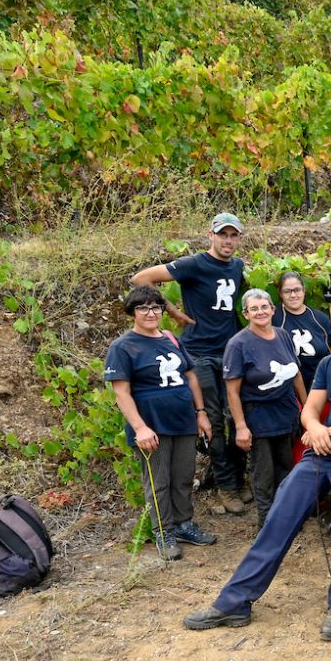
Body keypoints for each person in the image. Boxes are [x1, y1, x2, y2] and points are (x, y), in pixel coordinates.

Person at [184, 295, 331, 641]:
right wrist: (313, 428)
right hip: (321, 454)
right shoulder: (330, 364)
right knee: (278, 518)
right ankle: (235, 602)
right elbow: (309, 408)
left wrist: (326, 430)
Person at [131, 213, 249, 515]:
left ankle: (238, 478)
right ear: (210, 235)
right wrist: (172, 311)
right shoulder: (194, 264)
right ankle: (226, 486)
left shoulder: (237, 267)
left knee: (238, 417)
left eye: (233, 235)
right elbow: (140, 278)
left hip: (230, 351)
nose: (228, 240)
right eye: (222, 234)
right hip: (199, 353)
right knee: (215, 423)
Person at [104, 286, 216, 560]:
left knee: (183, 477)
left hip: (183, 421)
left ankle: (183, 524)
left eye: (156, 307)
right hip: (152, 424)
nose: (151, 312)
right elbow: (121, 392)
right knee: (158, 481)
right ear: (133, 312)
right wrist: (140, 427)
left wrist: (200, 412)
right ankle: (163, 531)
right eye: (143, 308)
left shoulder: (171, 339)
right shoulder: (123, 347)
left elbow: (190, 376)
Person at [225, 289, 307, 529]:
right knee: (264, 472)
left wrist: (306, 408)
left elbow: (296, 374)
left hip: (286, 410)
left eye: (264, 307)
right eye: (254, 308)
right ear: (246, 314)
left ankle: (287, 516)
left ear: (273, 309)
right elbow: (232, 390)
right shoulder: (238, 344)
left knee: (286, 465)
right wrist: (240, 426)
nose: (260, 312)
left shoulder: (283, 335)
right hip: (258, 415)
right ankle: (267, 523)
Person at [273, 271, 331, 393]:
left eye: (297, 290)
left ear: (304, 291)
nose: (293, 295)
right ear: (280, 293)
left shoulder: (320, 318)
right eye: (287, 291)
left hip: (321, 384)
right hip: (289, 388)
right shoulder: (274, 318)